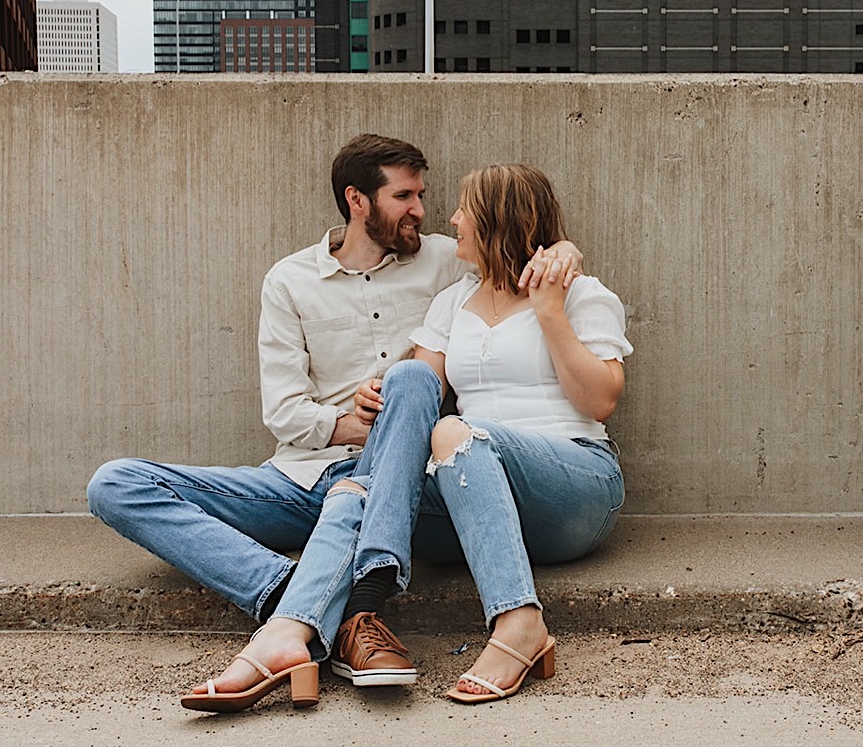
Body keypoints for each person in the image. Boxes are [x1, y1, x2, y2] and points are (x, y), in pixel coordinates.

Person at [87, 137, 579, 656]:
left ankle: (312, 602)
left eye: (421, 195)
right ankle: (282, 589)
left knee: (409, 395)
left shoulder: (447, 260)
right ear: (357, 200)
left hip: (401, 484)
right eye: (404, 197)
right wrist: (355, 423)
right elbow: (284, 413)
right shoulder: (290, 281)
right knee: (115, 484)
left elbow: (520, 253)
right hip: (305, 479)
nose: (421, 211)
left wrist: (565, 250)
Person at [181, 163, 629, 712]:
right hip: (471, 493)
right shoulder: (453, 301)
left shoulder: (579, 293)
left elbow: (600, 400)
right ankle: (291, 632)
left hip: (572, 486)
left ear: (495, 220)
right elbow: (416, 400)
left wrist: (550, 313)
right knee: (402, 405)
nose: (451, 218)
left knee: (453, 430)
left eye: (464, 208)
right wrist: (381, 396)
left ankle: (517, 620)